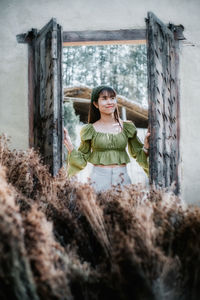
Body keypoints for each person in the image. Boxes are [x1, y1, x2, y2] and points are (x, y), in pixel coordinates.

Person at [63, 85, 150, 193]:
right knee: (98, 209)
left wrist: (146, 147)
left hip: (122, 178)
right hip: (98, 179)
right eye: (104, 98)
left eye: (112, 98)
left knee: (124, 208)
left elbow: (140, 155)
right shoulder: (89, 130)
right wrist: (69, 144)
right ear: (95, 104)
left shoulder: (128, 127)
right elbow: (81, 159)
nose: (110, 102)